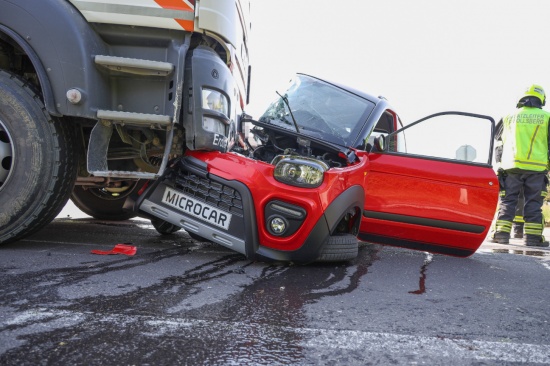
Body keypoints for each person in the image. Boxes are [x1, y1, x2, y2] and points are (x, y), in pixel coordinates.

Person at [492, 84, 550, 247]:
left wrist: (499, 165)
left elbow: (498, 143)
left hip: (511, 167)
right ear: (541, 99)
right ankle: (532, 238)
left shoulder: (508, 117)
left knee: (508, 201)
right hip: (537, 169)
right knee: (533, 203)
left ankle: (501, 235)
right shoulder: (546, 117)